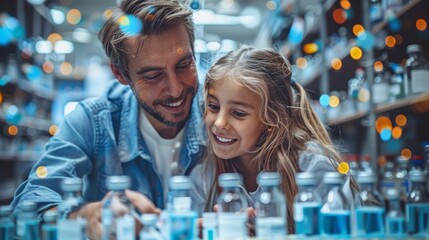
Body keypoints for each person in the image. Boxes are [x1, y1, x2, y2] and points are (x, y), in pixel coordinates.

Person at [11, 0, 206, 238]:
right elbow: (29, 204)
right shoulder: (92, 121)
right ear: (120, 74)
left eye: (184, 64)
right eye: (153, 76)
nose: (175, 90)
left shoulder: (221, 115)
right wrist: (84, 215)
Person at [190, 46, 359, 233]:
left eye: (238, 113)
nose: (220, 122)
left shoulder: (314, 171)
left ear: (272, 120)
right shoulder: (203, 178)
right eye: (213, 106)